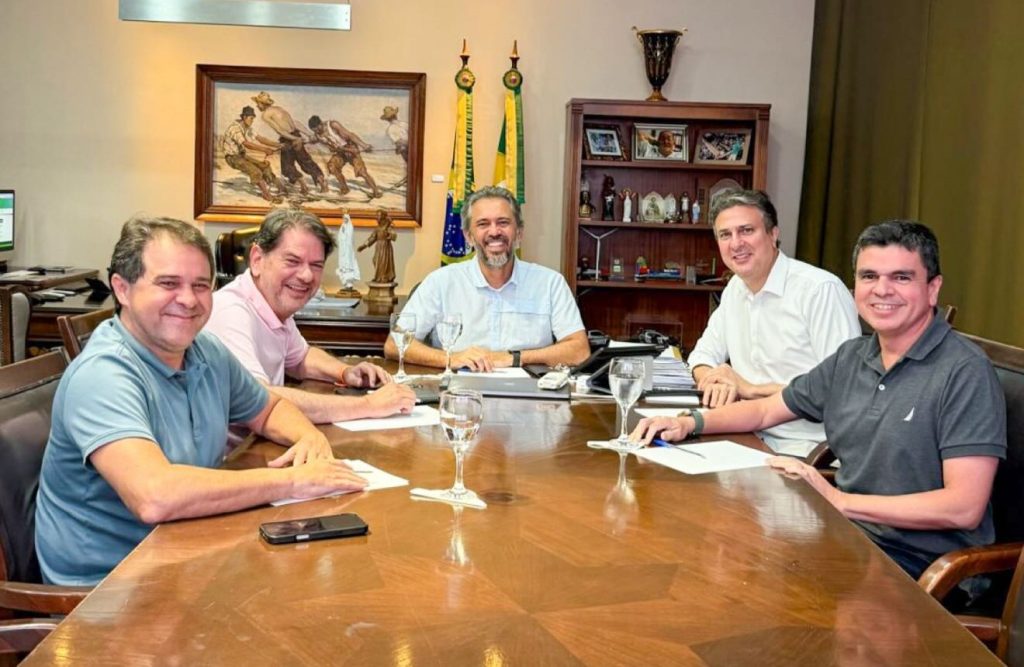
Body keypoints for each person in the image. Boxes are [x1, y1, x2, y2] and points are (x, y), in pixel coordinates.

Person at [633, 221, 1007, 579]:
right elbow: (765, 410)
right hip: (848, 540)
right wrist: (688, 422)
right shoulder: (853, 357)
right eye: (869, 276)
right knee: (713, 552)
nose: (882, 290)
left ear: (933, 288)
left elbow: (963, 507)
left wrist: (840, 501)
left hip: (918, 567)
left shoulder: (964, 371)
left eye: (901, 277)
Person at [35, 216, 368, 586]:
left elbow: (269, 408)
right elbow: (155, 496)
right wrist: (293, 481)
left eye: (200, 285)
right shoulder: (103, 375)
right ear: (122, 289)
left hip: (188, 549)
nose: (189, 300)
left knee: (333, 574)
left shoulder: (204, 349)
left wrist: (309, 438)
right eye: (168, 283)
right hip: (109, 589)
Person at [688, 189, 860, 455]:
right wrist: (714, 380)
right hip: (744, 435)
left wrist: (749, 390)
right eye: (725, 235)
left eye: (746, 230)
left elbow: (842, 393)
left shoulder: (820, 290)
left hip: (805, 449)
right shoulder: (735, 288)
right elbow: (701, 356)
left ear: (773, 234)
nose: (736, 244)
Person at [205, 208, 414, 426]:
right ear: (257, 259)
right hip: (239, 447)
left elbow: (301, 358)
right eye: (292, 261)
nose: (306, 276)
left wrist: (345, 372)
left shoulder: (274, 304)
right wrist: (369, 405)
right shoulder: (229, 311)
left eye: (316, 265)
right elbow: (259, 400)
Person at [386, 186, 590, 370]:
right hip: (459, 391)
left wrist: (514, 358)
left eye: (503, 222)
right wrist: (451, 359)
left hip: (530, 394)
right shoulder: (440, 282)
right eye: (483, 224)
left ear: (519, 233)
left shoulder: (551, 283)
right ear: (469, 236)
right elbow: (395, 344)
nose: (494, 232)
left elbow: (579, 351)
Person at [252, 91, 326, 195]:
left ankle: (303, 186)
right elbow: (295, 123)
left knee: (287, 166)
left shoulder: (265, 115)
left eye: (258, 103)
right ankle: (323, 184)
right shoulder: (279, 109)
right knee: (306, 161)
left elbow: (280, 131)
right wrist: (306, 135)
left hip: (287, 138)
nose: (257, 106)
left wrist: (294, 139)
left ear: (262, 103)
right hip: (296, 134)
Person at [220, 105, 286, 203]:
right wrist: (265, 150)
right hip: (232, 158)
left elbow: (261, 139)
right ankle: (266, 195)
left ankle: (280, 188)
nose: (252, 121)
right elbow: (246, 144)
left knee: (264, 166)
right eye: (251, 118)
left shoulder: (248, 128)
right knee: (255, 171)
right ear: (244, 117)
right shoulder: (234, 128)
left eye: (253, 118)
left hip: (241, 156)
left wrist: (278, 145)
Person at [308, 115, 383, 199]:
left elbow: (350, 135)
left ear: (321, 123)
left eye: (318, 129)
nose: (317, 131)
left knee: (361, 171)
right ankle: (344, 189)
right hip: (340, 152)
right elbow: (316, 141)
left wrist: (364, 145)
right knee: (332, 166)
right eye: (315, 130)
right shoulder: (317, 135)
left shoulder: (333, 125)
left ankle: (376, 191)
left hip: (350, 148)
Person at [358, 209, 397, 284]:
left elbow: (394, 235)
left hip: (385, 247)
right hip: (378, 247)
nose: (377, 217)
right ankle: (378, 277)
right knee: (375, 260)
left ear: (383, 217)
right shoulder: (377, 228)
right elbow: (372, 238)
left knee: (384, 262)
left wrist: (390, 235)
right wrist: (363, 246)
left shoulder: (387, 227)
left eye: (379, 215)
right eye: (377, 215)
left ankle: (384, 277)